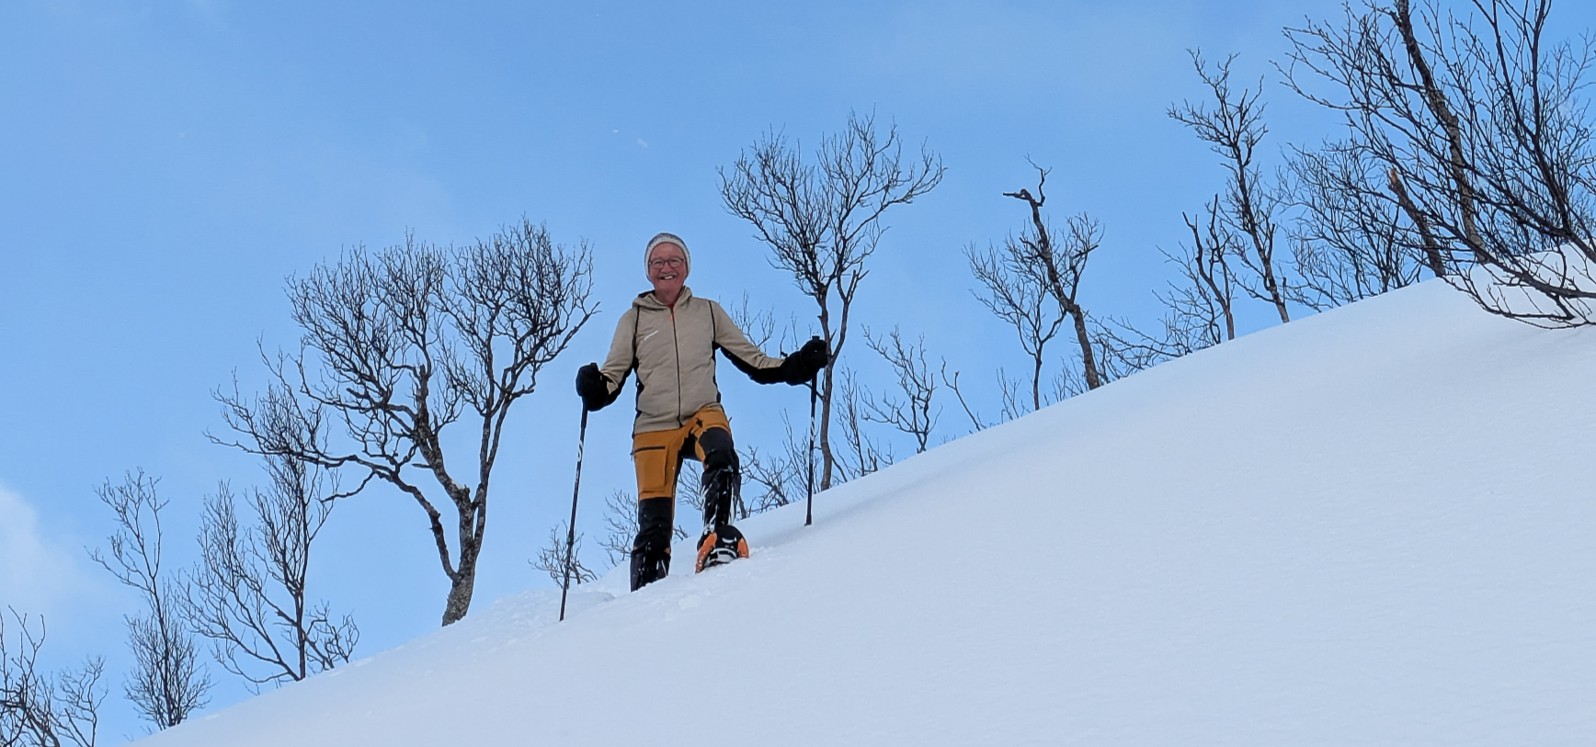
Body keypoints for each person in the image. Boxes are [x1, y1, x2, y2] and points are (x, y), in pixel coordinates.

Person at [576, 232, 828, 591]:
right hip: (653, 427)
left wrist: (799, 364)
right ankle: (646, 594)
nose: (667, 267)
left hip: (701, 412)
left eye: (674, 260)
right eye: (658, 262)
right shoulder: (631, 321)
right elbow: (611, 378)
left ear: (687, 268)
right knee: (654, 524)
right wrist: (593, 388)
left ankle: (716, 539)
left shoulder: (708, 312)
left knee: (722, 454)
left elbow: (753, 361)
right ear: (648, 272)